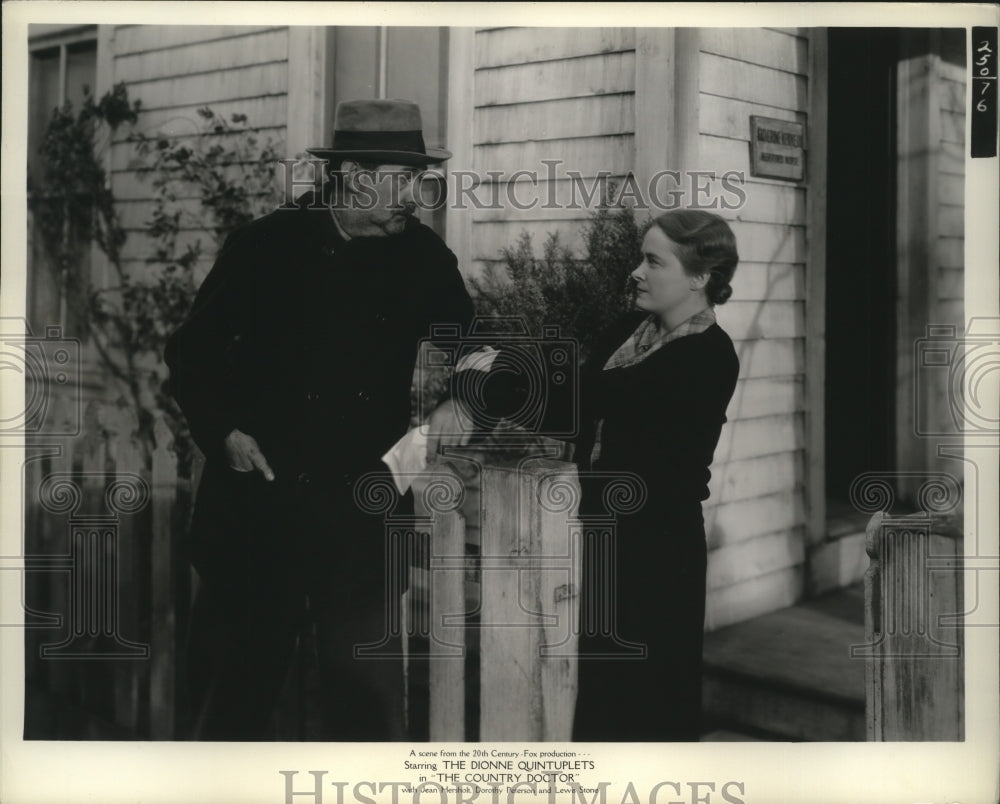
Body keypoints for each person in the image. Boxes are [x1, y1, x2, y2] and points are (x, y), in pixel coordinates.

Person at [164, 98, 479, 741]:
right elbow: (191, 353)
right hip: (255, 521)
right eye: (402, 179)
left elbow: (482, 346)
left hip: (358, 530)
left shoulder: (422, 259)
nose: (415, 196)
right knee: (227, 715)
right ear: (353, 175)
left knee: (367, 721)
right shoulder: (262, 248)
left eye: (420, 179)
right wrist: (222, 431)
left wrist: (463, 398)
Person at [570, 209, 740, 741]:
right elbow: (577, 410)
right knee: (599, 699)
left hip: (658, 552)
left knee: (650, 706)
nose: (636, 273)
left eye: (652, 261)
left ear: (699, 278)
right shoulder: (629, 331)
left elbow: (591, 395)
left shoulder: (707, 356)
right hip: (605, 542)